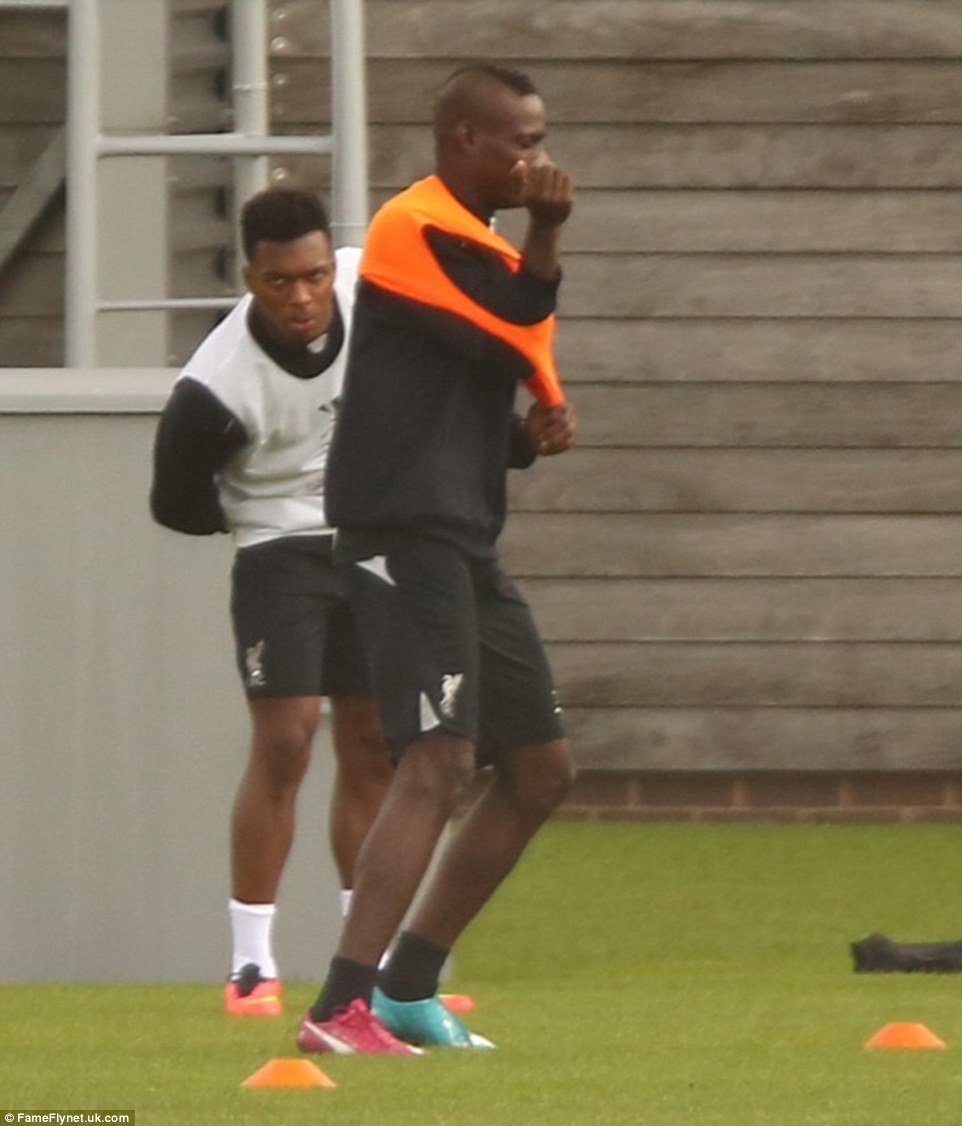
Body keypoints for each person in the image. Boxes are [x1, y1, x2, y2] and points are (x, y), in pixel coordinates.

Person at [295, 63, 578, 1056]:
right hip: (400, 533)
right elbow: (518, 320)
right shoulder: (409, 227)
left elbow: (458, 379)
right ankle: (337, 1007)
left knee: (538, 768)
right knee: (440, 756)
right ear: (465, 139)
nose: (537, 159)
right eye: (522, 142)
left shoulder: (473, 241)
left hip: (459, 536)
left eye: (540, 140)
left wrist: (523, 436)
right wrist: (549, 231)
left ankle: (409, 989)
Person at [150, 187, 393, 1017]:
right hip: (276, 551)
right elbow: (175, 502)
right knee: (286, 741)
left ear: (333, 265)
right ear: (250, 278)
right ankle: (251, 963)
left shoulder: (371, 284)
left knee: (374, 742)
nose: (302, 296)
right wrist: (264, 517)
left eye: (315, 276)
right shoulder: (213, 389)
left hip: (368, 536)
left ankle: (368, 962)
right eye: (281, 280)